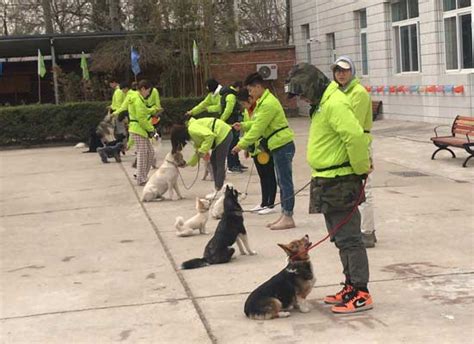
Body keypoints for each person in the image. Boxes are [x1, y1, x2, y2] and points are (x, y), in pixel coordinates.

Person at [285, 62, 372, 314]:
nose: (301, 98)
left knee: (350, 239)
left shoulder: (334, 102)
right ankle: (350, 285)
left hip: (340, 180)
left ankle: (361, 291)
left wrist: (360, 167)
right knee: (340, 239)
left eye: (302, 92)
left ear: (313, 85)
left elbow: (355, 136)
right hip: (326, 179)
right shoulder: (322, 104)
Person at [231, 72, 296, 230]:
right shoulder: (263, 102)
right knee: (282, 181)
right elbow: (255, 122)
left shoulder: (268, 104)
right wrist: (244, 126)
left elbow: (258, 129)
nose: (250, 94)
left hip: (282, 144)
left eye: (251, 90)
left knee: (284, 182)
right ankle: (285, 215)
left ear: (258, 87)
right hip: (277, 145)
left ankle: (288, 216)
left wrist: (241, 145)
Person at [331, 56, 376, 248]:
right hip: (344, 143)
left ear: (352, 71)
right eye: (337, 70)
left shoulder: (358, 93)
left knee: (364, 189)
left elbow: (353, 125)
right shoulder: (338, 92)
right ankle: (353, 229)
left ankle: (367, 231)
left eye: (345, 70)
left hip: (358, 143)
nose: (341, 74)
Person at [236, 88, 277, 215]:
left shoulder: (261, 108)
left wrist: (242, 144)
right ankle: (264, 202)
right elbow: (249, 130)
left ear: (250, 99)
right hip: (254, 148)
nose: (243, 106)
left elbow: (257, 128)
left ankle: (271, 204)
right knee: (262, 176)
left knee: (269, 175)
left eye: (244, 103)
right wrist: (247, 148)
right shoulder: (247, 111)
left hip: (263, 147)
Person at [170, 117, 233, 200]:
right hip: (223, 133)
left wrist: (203, 150)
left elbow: (210, 135)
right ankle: (218, 187)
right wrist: (188, 164)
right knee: (214, 161)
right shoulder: (192, 135)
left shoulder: (192, 129)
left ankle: (218, 189)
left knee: (218, 162)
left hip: (223, 134)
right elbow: (198, 152)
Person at [127, 80, 160, 186]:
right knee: (143, 154)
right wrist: (152, 130)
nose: (148, 93)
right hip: (138, 129)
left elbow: (144, 111)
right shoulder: (137, 100)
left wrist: (153, 110)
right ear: (142, 89)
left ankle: (143, 176)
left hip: (140, 129)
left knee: (149, 153)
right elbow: (141, 118)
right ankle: (141, 178)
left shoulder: (139, 99)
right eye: (148, 91)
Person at [219, 81, 247, 174]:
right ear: (238, 87)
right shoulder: (231, 96)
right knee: (231, 144)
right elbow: (228, 110)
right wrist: (221, 121)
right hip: (230, 123)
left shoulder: (229, 94)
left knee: (235, 142)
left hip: (233, 122)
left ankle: (236, 163)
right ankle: (232, 165)